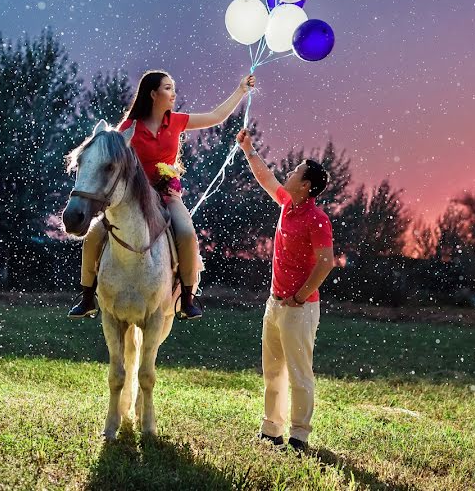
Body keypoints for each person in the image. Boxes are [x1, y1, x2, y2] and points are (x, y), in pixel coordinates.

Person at [68, 70, 255, 320]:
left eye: (173, 87)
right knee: (94, 235)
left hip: (167, 195)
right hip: (133, 198)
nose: (173, 93)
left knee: (187, 234)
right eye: (168, 88)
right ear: (153, 94)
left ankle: (187, 299)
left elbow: (216, 117)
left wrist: (241, 90)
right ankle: (88, 297)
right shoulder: (128, 129)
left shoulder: (176, 121)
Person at [236, 128, 335, 452]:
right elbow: (267, 179)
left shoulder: (318, 219)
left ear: (306, 185)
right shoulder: (286, 205)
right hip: (274, 304)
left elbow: (326, 262)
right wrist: (249, 149)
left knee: (299, 373)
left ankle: (300, 436)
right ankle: (271, 430)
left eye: (295, 172)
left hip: (299, 308)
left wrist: (299, 296)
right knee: (273, 370)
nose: (288, 173)